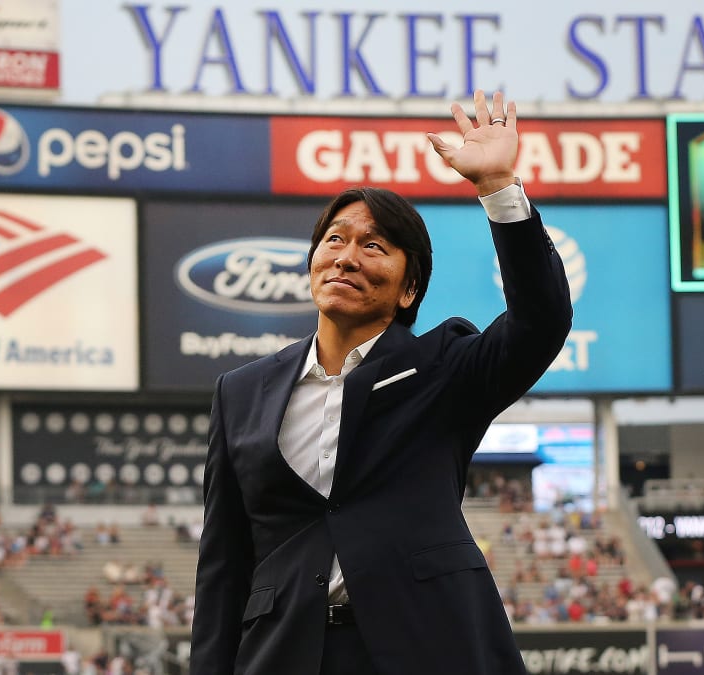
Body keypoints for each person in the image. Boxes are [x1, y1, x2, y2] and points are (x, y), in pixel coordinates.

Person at [190, 90, 572, 675]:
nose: (346, 257)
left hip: (430, 645)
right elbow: (223, 563)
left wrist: (497, 185)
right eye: (335, 239)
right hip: (283, 654)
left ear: (407, 289)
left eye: (373, 246)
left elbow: (540, 320)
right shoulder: (241, 392)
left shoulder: (445, 368)